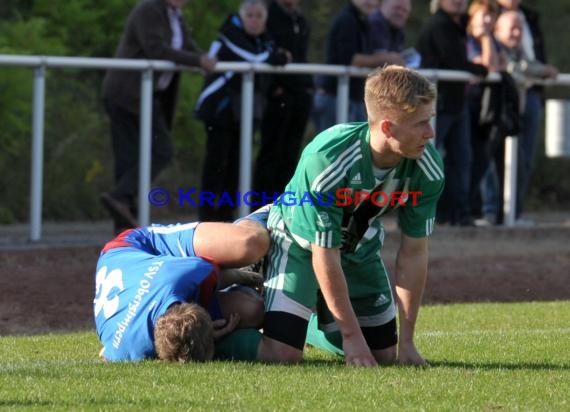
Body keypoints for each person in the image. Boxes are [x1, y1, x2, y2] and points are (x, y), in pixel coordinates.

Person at [237, 66, 443, 367]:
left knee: (383, 356)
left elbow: (413, 253)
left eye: (431, 120)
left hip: (356, 246)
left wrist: (407, 343)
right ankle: (220, 332)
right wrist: (351, 337)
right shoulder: (328, 159)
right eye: (421, 123)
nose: (431, 133)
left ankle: (303, 323)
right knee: (283, 354)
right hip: (298, 241)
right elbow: (323, 253)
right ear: (387, 128)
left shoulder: (427, 167)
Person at [94, 206, 270, 362]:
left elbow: (222, 273)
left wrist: (247, 276)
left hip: (137, 245)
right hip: (145, 286)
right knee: (253, 311)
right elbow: (108, 354)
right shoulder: (126, 349)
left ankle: (267, 214)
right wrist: (209, 336)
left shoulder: (182, 274)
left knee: (250, 243)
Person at [101, 0, 217, 234]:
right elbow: (156, 48)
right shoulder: (148, 10)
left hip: (145, 96)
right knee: (157, 150)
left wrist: (204, 58)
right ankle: (120, 201)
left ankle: (124, 222)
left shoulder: (175, 16)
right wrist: (197, 61)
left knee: (135, 157)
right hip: (127, 93)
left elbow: (186, 46)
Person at [195, 0, 291, 222]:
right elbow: (255, 60)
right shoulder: (229, 34)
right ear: (241, 16)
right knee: (216, 163)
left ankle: (226, 216)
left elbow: (271, 55)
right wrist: (277, 57)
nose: (254, 21)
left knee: (237, 164)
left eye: (259, 16)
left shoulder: (264, 39)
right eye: (250, 15)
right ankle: (207, 217)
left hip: (244, 111)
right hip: (219, 109)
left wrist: (277, 58)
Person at [416, 0, 488, 226]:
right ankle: (420, 214)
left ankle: (458, 213)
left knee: (460, 159)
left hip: (455, 104)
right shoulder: (438, 25)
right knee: (428, 157)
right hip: (438, 105)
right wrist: (479, 68)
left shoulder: (459, 26)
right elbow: (455, 62)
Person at [494, 2, 558, 225]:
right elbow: (512, 66)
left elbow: (523, 62)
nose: (516, 32)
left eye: (519, 28)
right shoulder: (488, 14)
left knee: (523, 159)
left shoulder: (530, 16)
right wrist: (541, 70)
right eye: (511, 28)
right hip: (500, 104)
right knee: (497, 161)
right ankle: (494, 212)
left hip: (529, 96)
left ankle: (514, 212)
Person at [312, 0, 405, 133]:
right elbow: (350, 60)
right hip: (335, 97)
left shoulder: (363, 20)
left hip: (349, 97)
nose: (370, 2)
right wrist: (386, 58)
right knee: (335, 150)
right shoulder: (347, 20)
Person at [254, 0, 313, 198]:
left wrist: (308, 86)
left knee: (291, 154)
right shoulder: (268, 15)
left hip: (299, 94)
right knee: (271, 153)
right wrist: (272, 87)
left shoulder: (301, 19)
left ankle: (284, 207)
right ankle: (260, 208)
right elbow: (263, 52)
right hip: (277, 95)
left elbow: (301, 55)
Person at [368, 0, 416, 66]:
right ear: (383, 5)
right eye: (397, 8)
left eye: (404, 10)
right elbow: (380, 59)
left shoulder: (399, 31)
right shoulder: (376, 23)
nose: (400, 13)